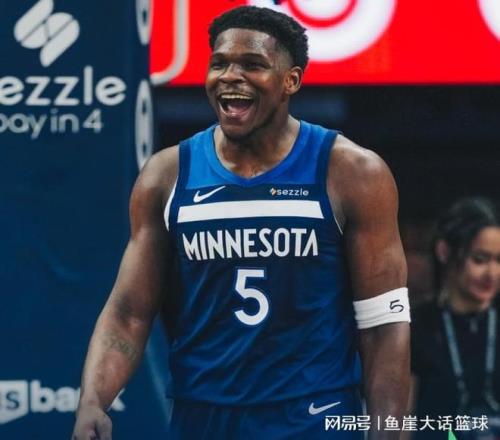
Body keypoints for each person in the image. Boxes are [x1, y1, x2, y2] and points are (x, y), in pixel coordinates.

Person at [72, 6, 410, 439]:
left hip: (313, 416)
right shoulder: (167, 175)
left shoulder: (353, 172)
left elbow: (384, 325)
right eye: (219, 64)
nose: (230, 76)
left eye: (252, 64)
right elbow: (128, 313)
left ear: (291, 81)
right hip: (203, 418)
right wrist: (93, 401)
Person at [411, 197, 500, 439]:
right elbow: (401, 417)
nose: (492, 273)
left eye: (498, 260)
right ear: (444, 252)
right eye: (479, 259)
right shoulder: (418, 325)